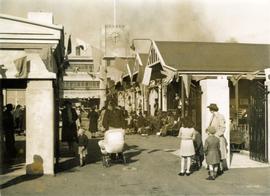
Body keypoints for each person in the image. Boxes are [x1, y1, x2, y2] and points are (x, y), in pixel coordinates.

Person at [207, 103, 228, 175]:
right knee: (215, 153)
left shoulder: (220, 116)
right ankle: (216, 169)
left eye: (210, 109)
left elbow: (223, 128)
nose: (210, 110)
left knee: (220, 153)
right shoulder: (212, 116)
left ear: (213, 109)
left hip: (218, 138)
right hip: (213, 137)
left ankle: (220, 169)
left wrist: (216, 135)